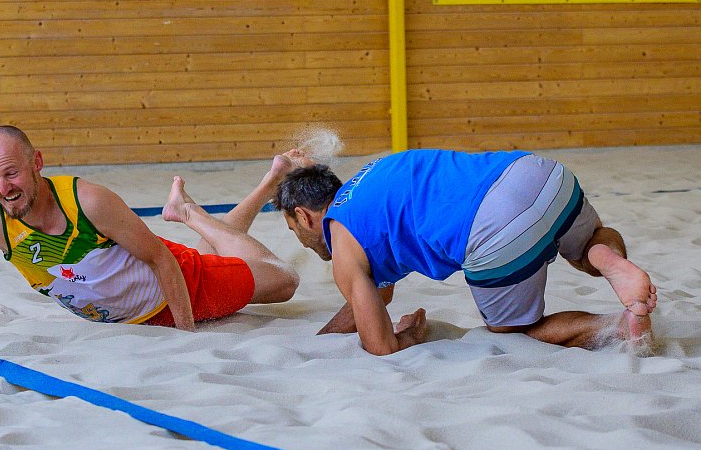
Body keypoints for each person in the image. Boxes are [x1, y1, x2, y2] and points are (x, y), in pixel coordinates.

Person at [0, 103, 300, 329]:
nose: (4, 188)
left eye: (11, 173)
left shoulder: (88, 202)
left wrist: (185, 333)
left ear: (37, 162)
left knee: (284, 281)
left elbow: (160, 258)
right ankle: (269, 181)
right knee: (213, 252)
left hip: (178, 289)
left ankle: (189, 212)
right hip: (135, 309)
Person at [272, 148, 658, 356]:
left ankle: (616, 327)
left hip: (497, 222)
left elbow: (381, 347)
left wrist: (410, 336)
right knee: (591, 240)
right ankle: (608, 260)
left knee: (515, 332)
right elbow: (375, 295)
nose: (301, 241)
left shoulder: (341, 240)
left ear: (304, 216)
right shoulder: (371, 176)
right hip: (540, 173)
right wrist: (325, 336)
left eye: (294, 230)